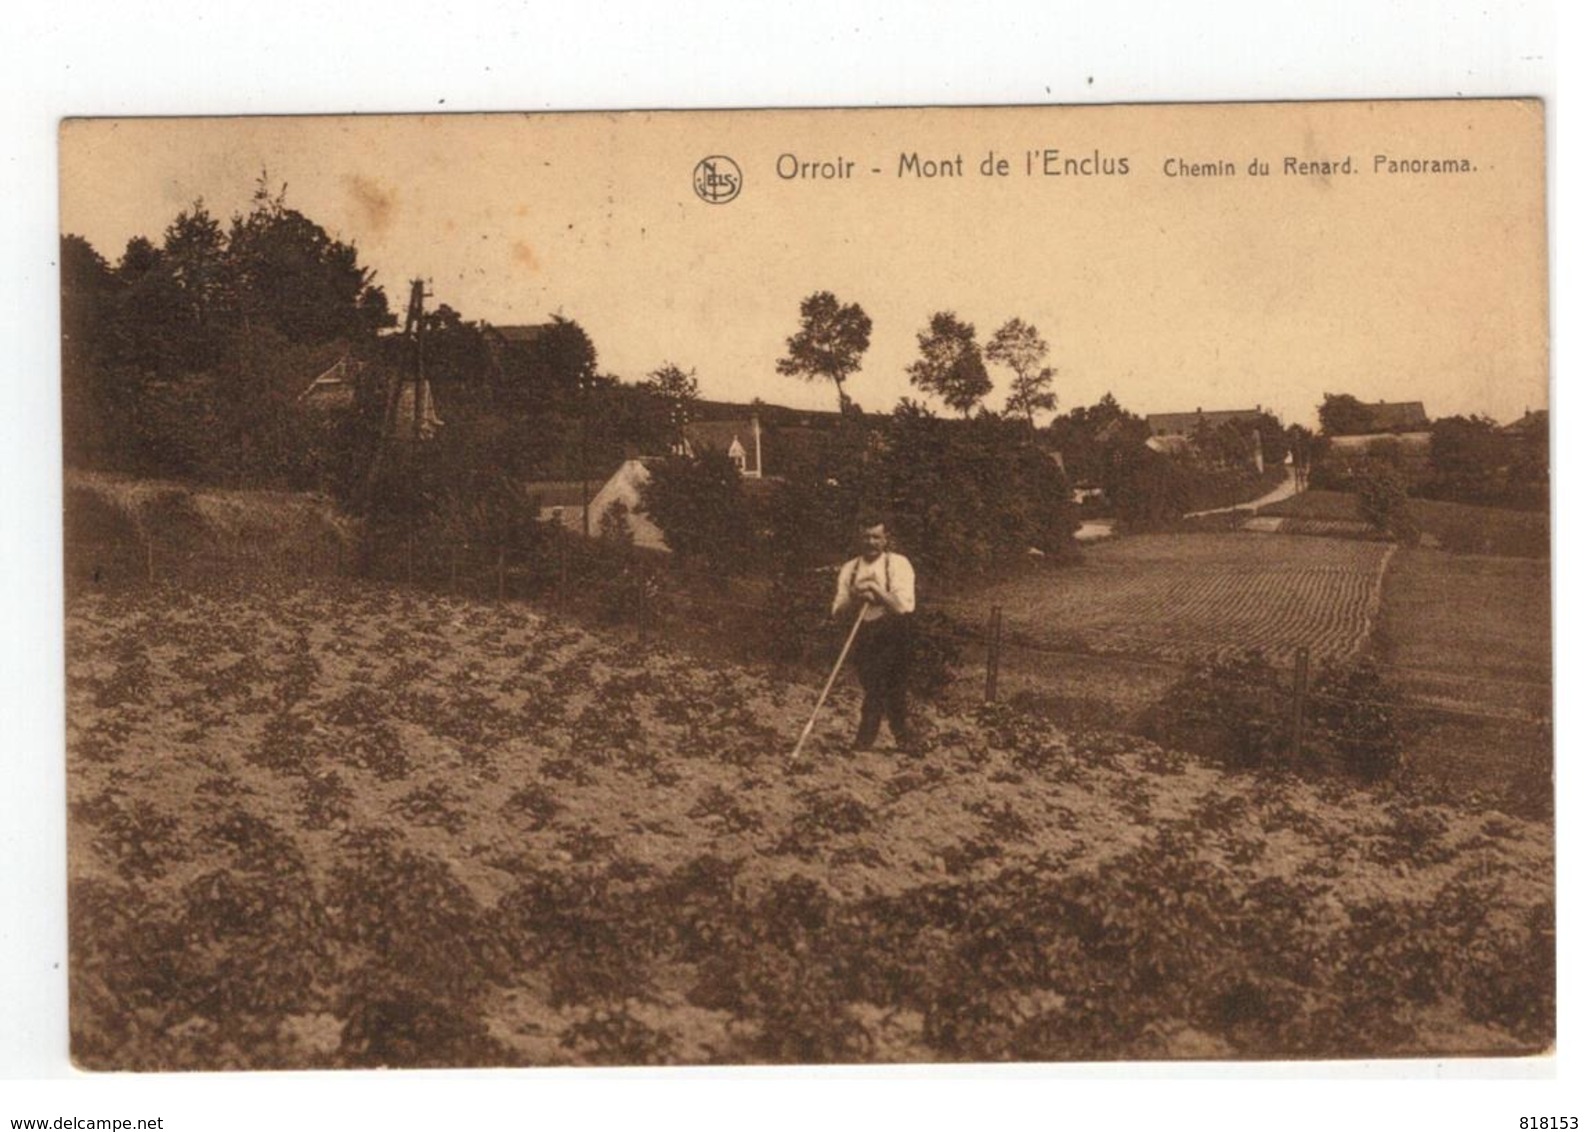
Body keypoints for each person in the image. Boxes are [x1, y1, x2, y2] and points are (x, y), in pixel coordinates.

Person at [831, 519, 918, 752]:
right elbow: (838, 611)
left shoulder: (898, 564)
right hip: (864, 634)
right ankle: (905, 738)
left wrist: (877, 591)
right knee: (874, 685)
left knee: (890, 686)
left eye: (876, 537)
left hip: (895, 632)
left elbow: (901, 606)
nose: (871, 542)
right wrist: (855, 595)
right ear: (859, 538)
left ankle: (867, 741)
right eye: (866, 537)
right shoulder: (850, 569)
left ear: (885, 539)